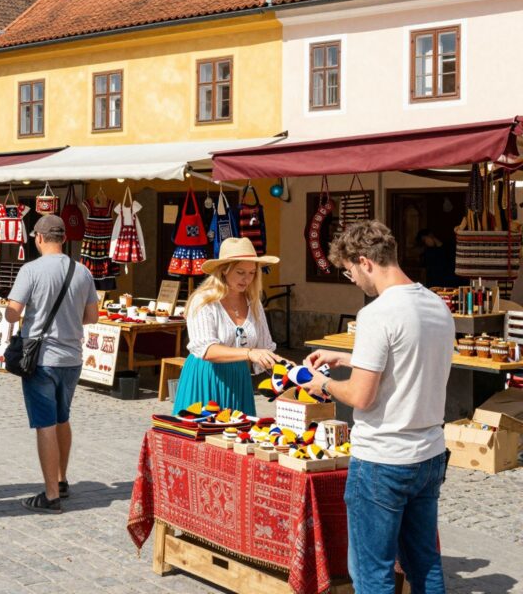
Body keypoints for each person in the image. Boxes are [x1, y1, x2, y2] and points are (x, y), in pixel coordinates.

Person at [305, 221, 453, 594]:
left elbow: (361, 397)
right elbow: (407, 359)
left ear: (365, 262)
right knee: (425, 564)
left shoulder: (377, 313)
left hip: (384, 458)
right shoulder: (436, 304)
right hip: (429, 451)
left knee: (373, 573)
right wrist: (348, 356)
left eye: (349, 271)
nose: (352, 279)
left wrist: (320, 383)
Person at [4, 214, 100, 514]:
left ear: (39, 238)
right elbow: (92, 317)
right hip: (71, 359)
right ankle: (61, 479)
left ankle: (51, 496)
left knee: (44, 423)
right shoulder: (82, 271)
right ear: (64, 239)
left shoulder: (30, 270)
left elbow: (12, 313)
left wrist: (21, 313)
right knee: (62, 417)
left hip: (41, 359)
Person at [172, 236, 284, 417]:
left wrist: (288, 369)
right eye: (240, 272)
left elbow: (264, 348)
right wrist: (249, 353)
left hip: (239, 379)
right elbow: (207, 350)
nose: (247, 279)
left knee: (237, 438)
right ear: (224, 270)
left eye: (252, 273)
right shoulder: (204, 301)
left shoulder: (253, 303)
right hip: (206, 377)